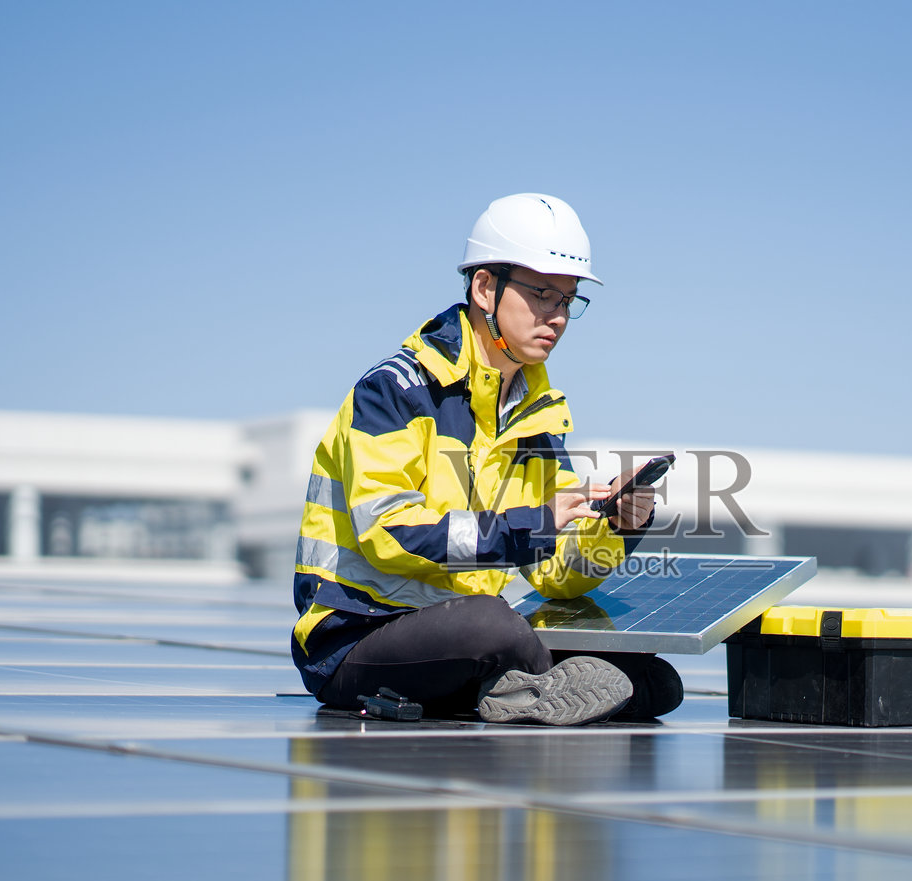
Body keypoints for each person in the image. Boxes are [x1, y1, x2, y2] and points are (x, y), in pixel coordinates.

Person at [290, 193, 683, 726]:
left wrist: (617, 526)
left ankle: (512, 688)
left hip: (467, 632)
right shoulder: (395, 392)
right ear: (483, 287)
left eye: (568, 300)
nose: (558, 316)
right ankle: (516, 686)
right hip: (355, 638)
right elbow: (389, 531)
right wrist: (533, 524)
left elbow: (557, 573)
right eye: (543, 294)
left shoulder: (537, 416)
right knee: (492, 626)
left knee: (657, 681)